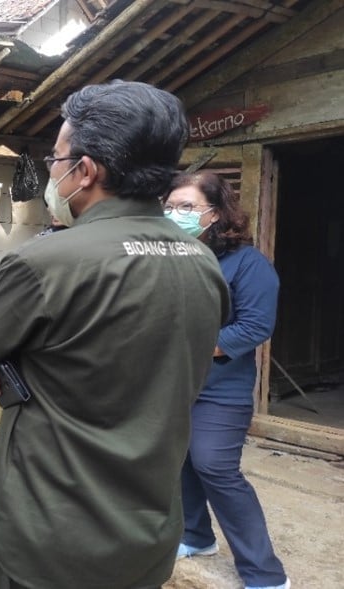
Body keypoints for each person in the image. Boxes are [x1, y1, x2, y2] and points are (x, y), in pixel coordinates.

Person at [0, 80, 231, 589]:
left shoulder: (48, 261)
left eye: (56, 159)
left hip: (39, 538)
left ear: (86, 170)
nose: (53, 172)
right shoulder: (203, 263)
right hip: (144, 536)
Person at [165, 171, 289, 589]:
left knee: (215, 466)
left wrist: (192, 345)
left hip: (221, 388)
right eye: (169, 206)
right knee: (182, 460)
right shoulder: (176, 256)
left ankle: (264, 572)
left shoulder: (248, 263)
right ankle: (196, 537)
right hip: (177, 382)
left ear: (215, 213)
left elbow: (255, 327)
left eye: (186, 207)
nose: (173, 214)